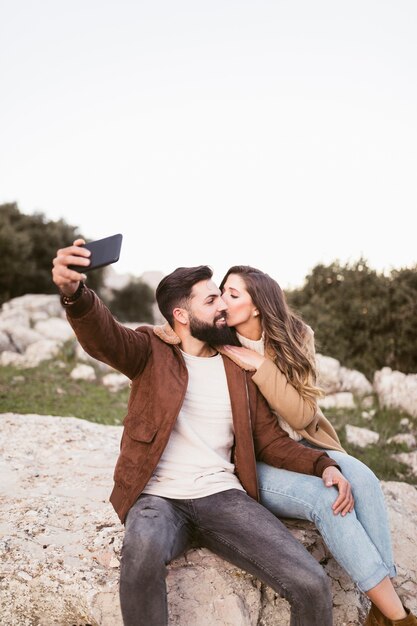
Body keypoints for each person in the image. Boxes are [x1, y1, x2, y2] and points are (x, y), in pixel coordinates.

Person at [52, 240, 353, 626]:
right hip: (157, 497)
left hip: (223, 498)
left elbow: (270, 441)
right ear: (181, 313)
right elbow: (103, 335)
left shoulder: (236, 365)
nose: (223, 307)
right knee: (140, 551)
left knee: (311, 584)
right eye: (211, 301)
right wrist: (74, 294)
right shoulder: (148, 350)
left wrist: (323, 464)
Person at [220, 265, 417, 626]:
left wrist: (262, 366)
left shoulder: (296, 334)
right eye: (222, 292)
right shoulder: (220, 340)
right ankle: (399, 617)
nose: (223, 301)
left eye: (233, 294)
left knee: (367, 481)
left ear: (258, 306)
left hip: (306, 443)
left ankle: (383, 608)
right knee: (330, 501)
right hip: (258, 459)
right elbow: (173, 328)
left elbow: (301, 415)